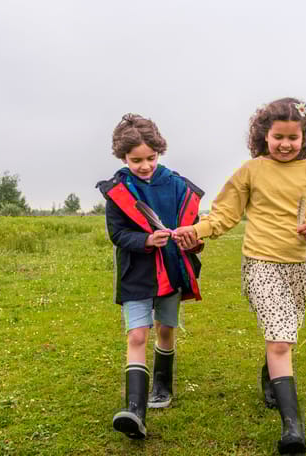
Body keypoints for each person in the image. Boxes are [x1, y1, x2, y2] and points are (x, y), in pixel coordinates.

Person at [174, 97, 306, 454]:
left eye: (292, 138)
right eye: (278, 136)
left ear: (305, 138)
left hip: (299, 265)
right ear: (264, 135)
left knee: (284, 335)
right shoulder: (250, 171)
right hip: (261, 263)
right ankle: (292, 428)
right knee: (280, 339)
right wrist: (197, 231)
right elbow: (224, 214)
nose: (285, 144)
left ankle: (270, 375)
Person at [97, 113, 204, 440]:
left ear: (159, 152)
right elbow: (117, 234)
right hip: (136, 274)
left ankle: (162, 386)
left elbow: (195, 226)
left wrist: (193, 239)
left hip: (171, 270)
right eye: (136, 160)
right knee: (137, 336)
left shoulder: (175, 185)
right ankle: (135, 410)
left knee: (166, 329)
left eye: (150, 158)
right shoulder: (118, 191)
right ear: (122, 157)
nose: (144, 165)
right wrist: (144, 240)